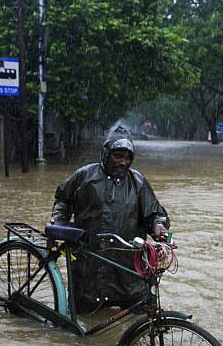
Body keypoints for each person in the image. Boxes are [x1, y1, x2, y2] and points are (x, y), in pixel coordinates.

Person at [49, 126, 169, 312]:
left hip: (128, 273)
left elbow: (154, 213)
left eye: (128, 157)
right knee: (83, 324)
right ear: (105, 154)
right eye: (118, 156)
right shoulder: (85, 176)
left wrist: (158, 225)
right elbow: (63, 199)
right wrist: (58, 216)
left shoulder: (138, 182)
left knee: (138, 321)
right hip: (90, 267)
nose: (124, 162)